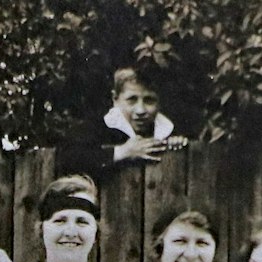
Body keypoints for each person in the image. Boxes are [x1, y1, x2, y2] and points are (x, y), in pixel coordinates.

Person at [54, 66, 186, 184]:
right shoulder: (98, 126)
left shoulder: (168, 129)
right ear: (115, 99)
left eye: (149, 100)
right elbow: (68, 159)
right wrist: (121, 152)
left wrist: (176, 145)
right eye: (132, 100)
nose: (140, 110)